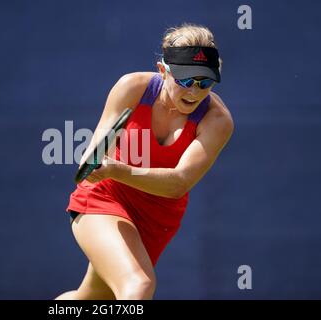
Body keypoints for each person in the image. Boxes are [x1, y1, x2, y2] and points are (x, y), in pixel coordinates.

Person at [56, 23, 234, 300]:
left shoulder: (218, 121)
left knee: (90, 298)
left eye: (205, 82)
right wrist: (95, 163)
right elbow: (95, 151)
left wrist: (118, 169)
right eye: (186, 80)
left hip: (157, 218)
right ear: (163, 70)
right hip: (105, 196)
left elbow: (179, 183)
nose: (195, 91)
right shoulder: (133, 87)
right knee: (138, 286)